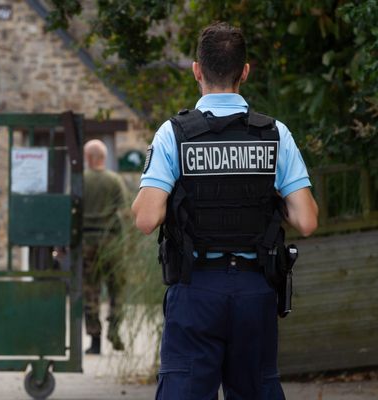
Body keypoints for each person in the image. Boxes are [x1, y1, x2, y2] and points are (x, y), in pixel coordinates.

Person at [132, 23, 319, 399]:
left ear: (196, 70)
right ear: (244, 71)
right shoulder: (275, 134)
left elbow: (146, 218)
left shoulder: (174, 134)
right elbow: (307, 220)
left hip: (196, 289)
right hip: (254, 289)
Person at [83, 139, 129, 354]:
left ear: (88, 157)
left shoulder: (80, 180)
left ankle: (94, 340)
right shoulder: (115, 180)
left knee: (90, 290)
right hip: (112, 242)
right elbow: (126, 212)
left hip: (87, 242)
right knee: (116, 290)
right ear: (103, 157)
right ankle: (115, 330)